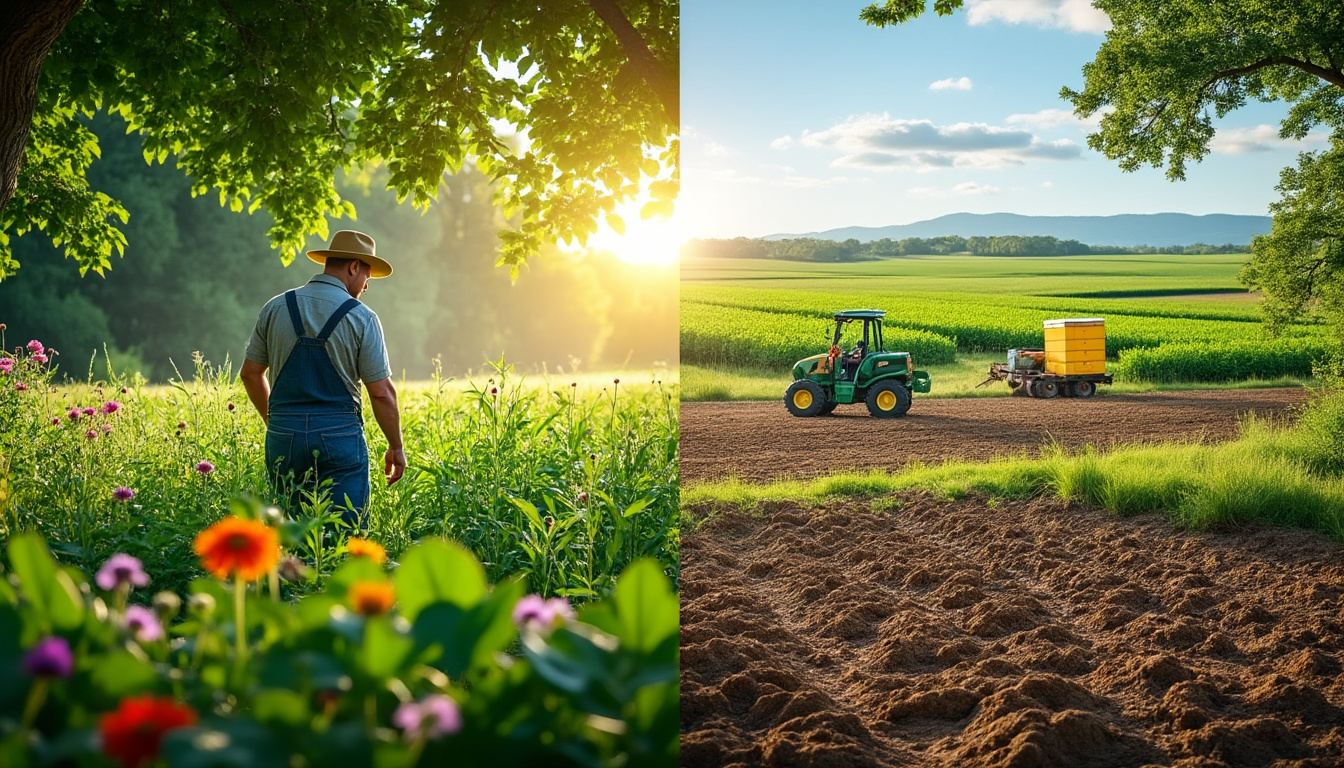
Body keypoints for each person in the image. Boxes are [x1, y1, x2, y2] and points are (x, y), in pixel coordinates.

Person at [239, 230, 406, 528]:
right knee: (345, 531)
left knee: (291, 531)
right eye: (367, 276)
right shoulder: (362, 317)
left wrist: (275, 421)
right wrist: (396, 446)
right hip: (339, 435)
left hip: (284, 435)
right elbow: (381, 392)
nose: (367, 286)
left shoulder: (275, 307)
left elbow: (250, 374)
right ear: (353, 267)